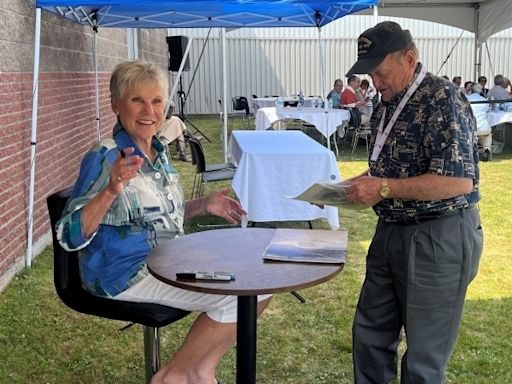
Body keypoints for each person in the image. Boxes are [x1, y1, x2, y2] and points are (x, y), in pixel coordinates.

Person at [56, 61, 272, 384]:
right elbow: (66, 236)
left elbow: (159, 218)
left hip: (168, 261)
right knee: (244, 292)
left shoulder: (157, 150)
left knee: (262, 282)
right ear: (116, 104)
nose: (149, 110)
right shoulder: (105, 157)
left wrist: (204, 205)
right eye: (136, 100)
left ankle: (199, 370)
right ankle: (172, 376)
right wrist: (110, 191)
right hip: (125, 273)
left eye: (156, 101)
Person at [343, 21, 482, 383]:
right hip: (391, 231)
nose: (376, 82)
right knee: (370, 337)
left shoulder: (442, 98)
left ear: (409, 57)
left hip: (438, 236)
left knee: (423, 357)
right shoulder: (388, 101)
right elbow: (389, 166)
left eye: (381, 72)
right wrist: (360, 183)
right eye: (370, 74)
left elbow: (457, 180)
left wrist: (384, 188)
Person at [467, 82, 492, 161]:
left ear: (471, 89)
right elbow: (488, 110)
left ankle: (470, 152)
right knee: (487, 134)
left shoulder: (465, 99)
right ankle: (486, 150)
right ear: (481, 91)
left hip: (469, 128)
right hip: (482, 129)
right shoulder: (485, 100)